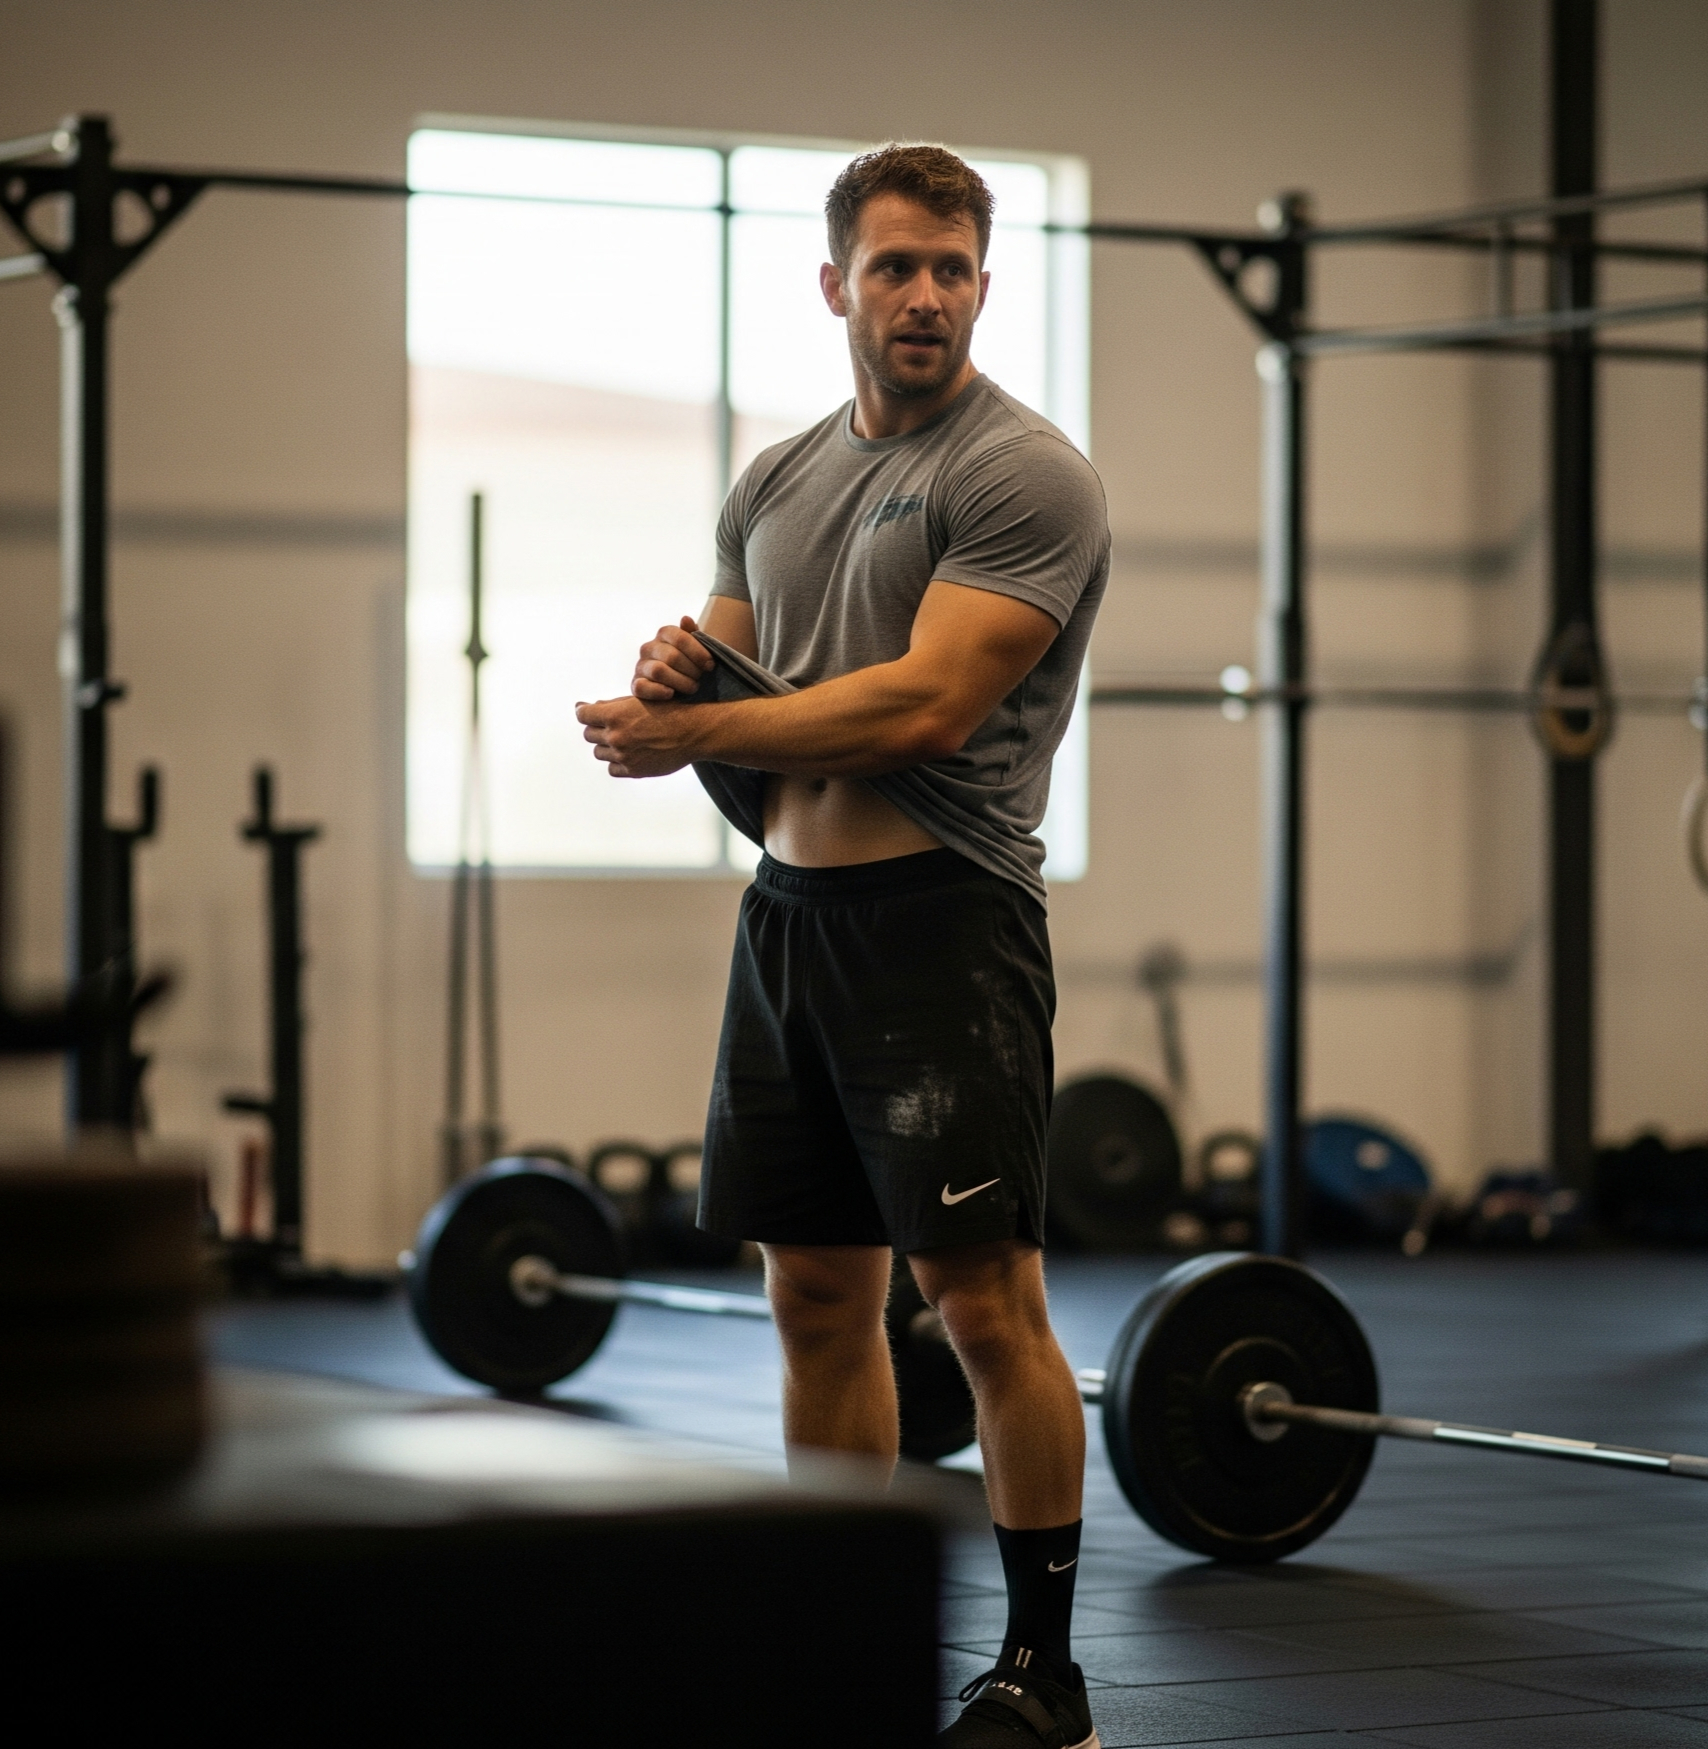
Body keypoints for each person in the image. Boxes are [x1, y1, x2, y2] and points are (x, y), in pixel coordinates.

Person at [577, 143, 1109, 1749]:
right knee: (814, 1295)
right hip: (789, 923)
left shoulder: (1025, 474)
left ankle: (1045, 1674)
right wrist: (678, 676)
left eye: (951, 268)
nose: (925, 295)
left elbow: (925, 704)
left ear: (984, 287)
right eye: (894, 267)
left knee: (984, 1303)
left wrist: (698, 719)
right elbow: (739, 693)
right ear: (836, 286)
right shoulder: (776, 482)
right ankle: (832, 1639)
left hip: (944, 925)